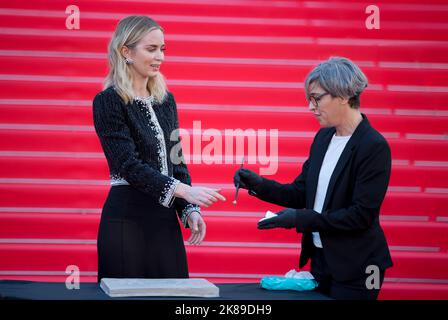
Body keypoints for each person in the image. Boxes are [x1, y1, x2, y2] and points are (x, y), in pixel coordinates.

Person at [234, 57, 393, 300]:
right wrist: (259, 185)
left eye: (317, 98)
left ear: (343, 95)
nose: (311, 106)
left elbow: (361, 215)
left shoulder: (373, 146)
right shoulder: (323, 138)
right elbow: (301, 193)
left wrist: (300, 219)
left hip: (358, 268)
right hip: (322, 262)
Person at [93, 16, 225, 282]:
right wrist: (185, 191)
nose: (160, 57)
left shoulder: (166, 101)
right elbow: (126, 165)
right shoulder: (108, 101)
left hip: (164, 222)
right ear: (125, 51)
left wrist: (189, 209)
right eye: (151, 49)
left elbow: (177, 162)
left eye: (162, 49)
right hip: (126, 221)